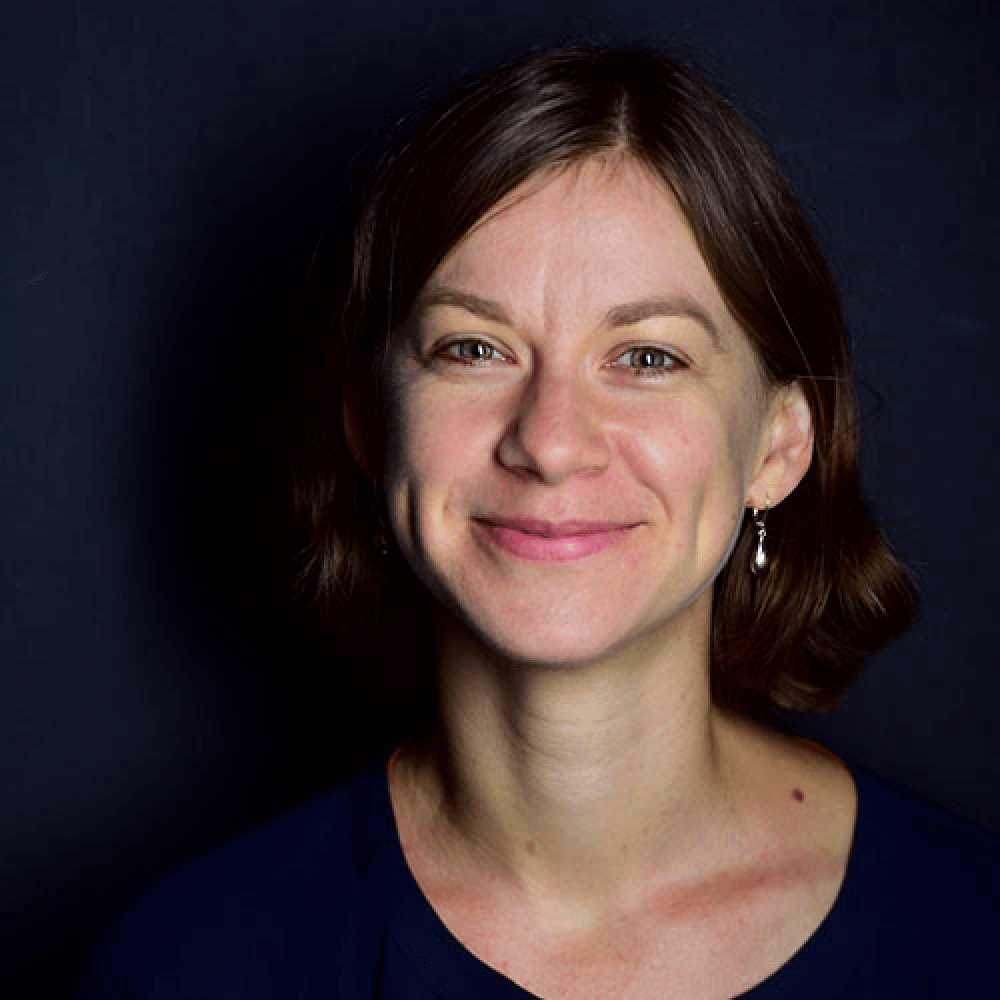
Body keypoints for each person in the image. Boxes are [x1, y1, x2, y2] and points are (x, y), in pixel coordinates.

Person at [76, 44, 1000, 999]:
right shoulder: (188, 964)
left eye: (646, 359)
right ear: (369, 425)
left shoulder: (978, 934)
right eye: (474, 347)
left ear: (777, 446)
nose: (552, 443)